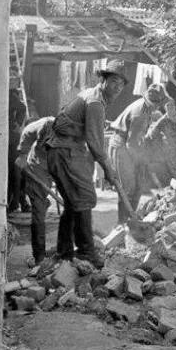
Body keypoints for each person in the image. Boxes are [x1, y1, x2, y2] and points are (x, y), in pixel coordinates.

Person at [45, 59, 127, 266]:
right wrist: (108, 169)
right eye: (114, 81)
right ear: (104, 80)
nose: (118, 87)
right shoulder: (95, 102)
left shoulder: (94, 96)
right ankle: (86, 252)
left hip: (64, 151)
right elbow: (96, 143)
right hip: (64, 151)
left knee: (74, 203)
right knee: (85, 197)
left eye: (121, 83)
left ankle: (64, 253)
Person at [108, 83, 171, 224]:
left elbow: (138, 141)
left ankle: (130, 219)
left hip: (131, 144)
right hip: (121, 146)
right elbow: (131, 145)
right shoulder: (140, 114)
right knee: (128, 188)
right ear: (156, 103)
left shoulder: (147, 108)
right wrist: (141, 162)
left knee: (139, 186)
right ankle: (123, 223)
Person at [15, 116, 55, 266]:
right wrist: (22, 155)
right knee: (38, 212)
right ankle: (39, 258)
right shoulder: (46, 123)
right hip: (39, 165)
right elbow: (26, 132)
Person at [7, 75, 29, 213]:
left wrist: (16, 123)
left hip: (12, 138)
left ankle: (16, 203)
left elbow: (22, 107)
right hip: (9, 137)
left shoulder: (10, 96)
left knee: (15, 171)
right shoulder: (11, 95)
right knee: (13, 172)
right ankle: (15, 202)